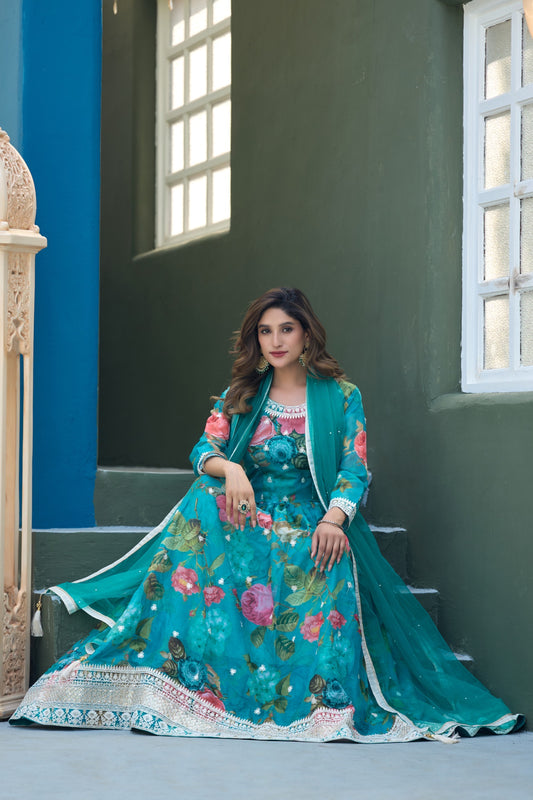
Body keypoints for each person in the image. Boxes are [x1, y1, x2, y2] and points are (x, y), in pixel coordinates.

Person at [11, 288, 523, 742]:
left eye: (286, 329)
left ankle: (305, 700)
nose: (276, 341)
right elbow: (201, 451)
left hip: (313, 523)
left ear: (306, 335)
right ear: (255, 339)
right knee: (202, 497)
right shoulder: (242, 395)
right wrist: (230, 467)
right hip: (247, 516)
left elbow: (354, 469)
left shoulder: (341, 396)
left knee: (324, 556)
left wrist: (334, 520)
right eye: (265, 331)